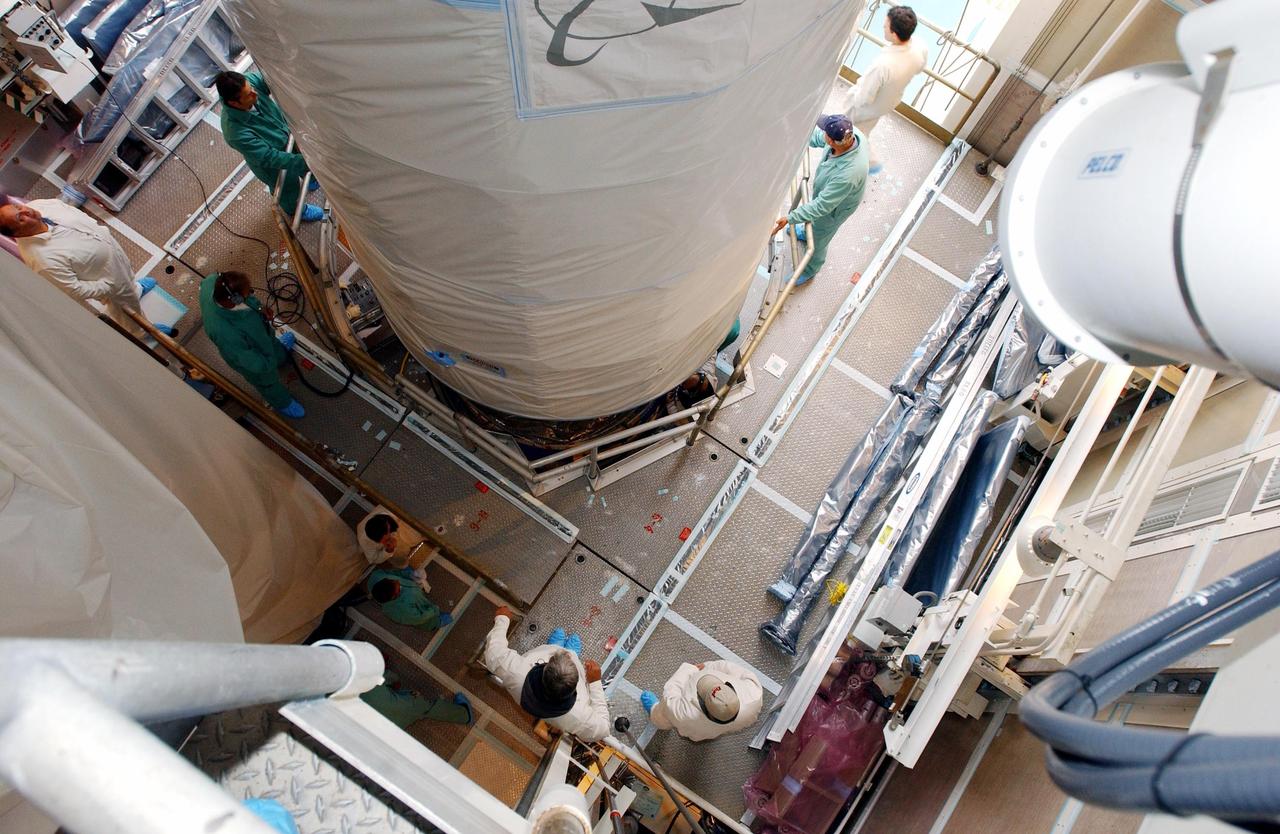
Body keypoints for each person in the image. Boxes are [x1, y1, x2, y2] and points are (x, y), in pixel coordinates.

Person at [0, 197, 169, 336]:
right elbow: (73, 290)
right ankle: (141, 332)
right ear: (18, 234)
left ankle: (135, 289)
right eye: (20, 218)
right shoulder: (41, 260)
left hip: (114, 255)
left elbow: (72, 211)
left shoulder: (39, 205)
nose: (26, 211)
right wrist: (108, 286)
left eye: (18, 207)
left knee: (128, 280)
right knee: (125, 309)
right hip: (109, 282)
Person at [484, 607, 610, 741]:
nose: (566, 655)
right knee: (571, 653)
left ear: (544, 669)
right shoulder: (578, 715)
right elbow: (603, 729)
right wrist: (595, 683)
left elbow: (494, 652)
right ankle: (572, 652)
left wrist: (502, 619)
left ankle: (553, 646)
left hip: (541, 655)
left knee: (551, 649)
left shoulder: (517, 673)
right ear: (573, 688)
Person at [215, 70, 323, 223]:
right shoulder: (235, 132)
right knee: (288, 187)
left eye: (252, 88)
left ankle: (309, 176)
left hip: (284, 134)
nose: (255, 93)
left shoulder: (249, 83)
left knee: (299, 157)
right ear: (234, 103)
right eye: (248, 95)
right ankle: (296, 210)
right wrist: (308, 161)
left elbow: (273, 78)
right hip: (271, 164)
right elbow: (269, 157)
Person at [772, 115, 868, 285]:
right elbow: (817, 137)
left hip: (836, 208)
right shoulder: (851, 137)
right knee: (814, 222)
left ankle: (810, 269)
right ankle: (805, 233)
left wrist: (791, 218)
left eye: (825, 133)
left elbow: (822, 206)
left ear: (831, 140)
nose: (822, 133)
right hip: (829, 192)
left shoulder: (848, 175)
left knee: (819, 237)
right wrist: (797, 136)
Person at [199, 270, 306, 418]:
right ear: (235, 299)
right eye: (247, 293)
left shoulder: (211, 281)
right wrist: (269, 364)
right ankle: (282, 403)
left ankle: (280, 355)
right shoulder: (224, 332)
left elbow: (248, 300)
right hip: (253, 360)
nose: (250, 294)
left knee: (273, 345)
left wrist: (261, 309)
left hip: (262, 337)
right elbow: (250, 361)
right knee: (268, 382)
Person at [843, 5, 927, 174]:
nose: (883, 26)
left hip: (868, 107)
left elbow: (864, 98)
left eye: (885, 25)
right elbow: (919, 69)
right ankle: (866, 159)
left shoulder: (883, 65)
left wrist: (852, 98)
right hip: (888, 102)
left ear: (894, 34)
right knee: (865, 129)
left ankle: (867, 162)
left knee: (854, 130)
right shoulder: (920, 49)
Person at [640, 659, 763, 742]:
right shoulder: (754, 693)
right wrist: (708, 666)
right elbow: (726, 667)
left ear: (704, 708)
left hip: (689, 719)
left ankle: (656, 716)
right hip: (735, 723)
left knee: (665, 715)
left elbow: (670, 697)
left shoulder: (687, 716)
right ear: (730, 687)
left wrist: (689, 670)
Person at [360, 668, 472, 728]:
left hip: (385, 731)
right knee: (423, 706)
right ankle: (465, 715)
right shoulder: (366, 677)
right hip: (404, 708)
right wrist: (394, 681)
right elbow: (392, 678)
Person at [367, 565, 453, 630]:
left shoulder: (377, 576)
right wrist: (434, 610)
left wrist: (410, 575)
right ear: (394, 596)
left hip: (412, 589)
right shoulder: (403, 611)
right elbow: (421, 617)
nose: (397, 581)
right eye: (397, 587)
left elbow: (395, 573)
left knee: (408, 570)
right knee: (444, 619)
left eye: (392, 580)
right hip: (427, 618)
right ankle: (438, 622)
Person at [358, 507, 431, 569]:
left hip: (401, 519)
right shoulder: (365, 541)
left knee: (418, 532)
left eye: (388, 536)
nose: (390, 538)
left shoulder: (394, 511)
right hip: (392, 540)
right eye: (385, 540)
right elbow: (375, 559)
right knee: (401, 563)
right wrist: (389, 549)